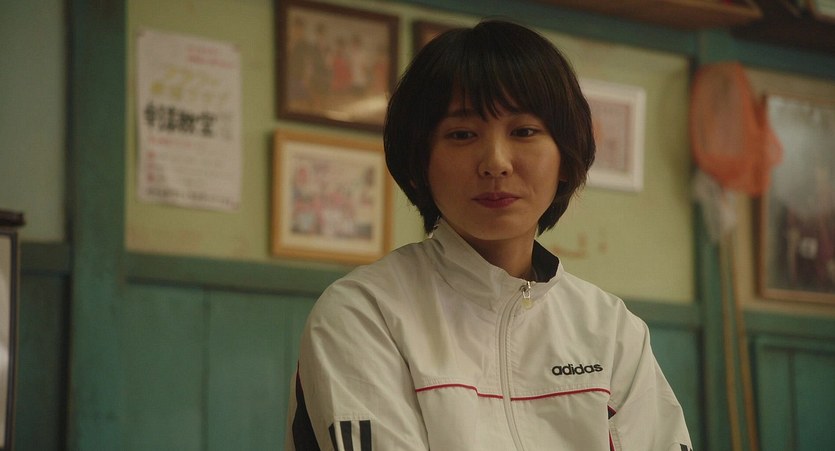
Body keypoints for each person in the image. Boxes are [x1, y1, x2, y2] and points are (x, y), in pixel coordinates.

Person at [286, 19, 693, 451]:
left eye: (524, 131)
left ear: (566, 156)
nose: (496, 162)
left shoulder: (611, 330)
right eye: (462, 134)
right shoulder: (364, 314)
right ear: (420, 163)